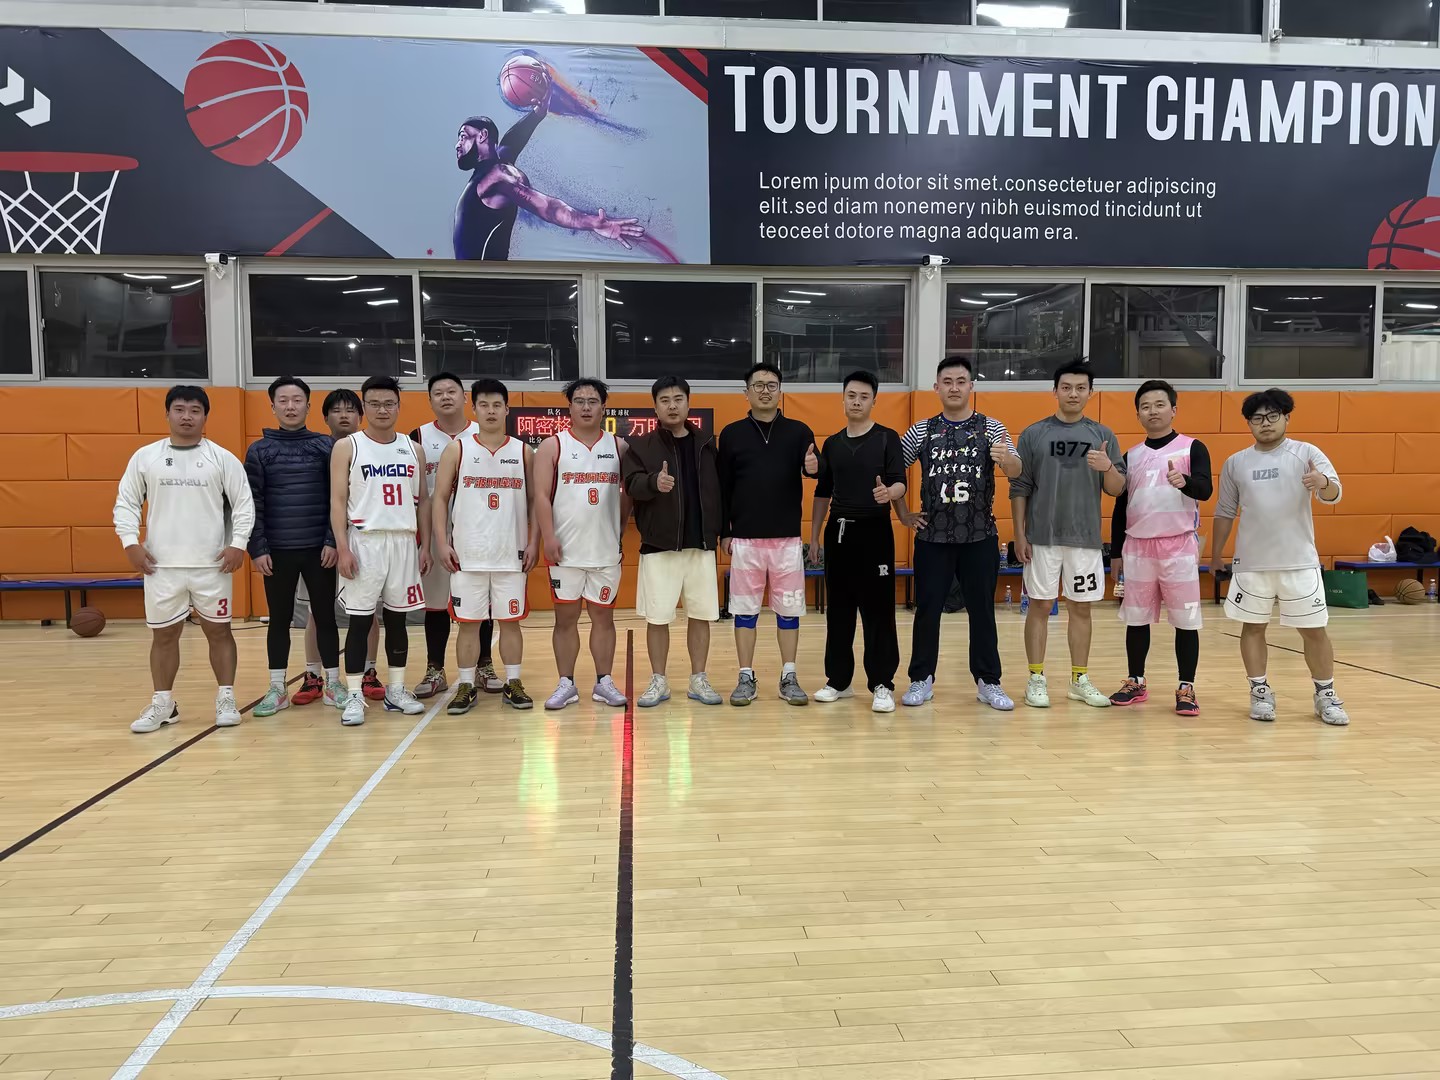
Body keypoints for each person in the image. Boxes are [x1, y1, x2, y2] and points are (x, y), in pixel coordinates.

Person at [114, 386, 255, 733]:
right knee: (163, 636)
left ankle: (226, 698)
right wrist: (130, 543)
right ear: (167, 414)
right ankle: (163, 704)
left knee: (219, 632)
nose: (187, 416)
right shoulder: (145, 457)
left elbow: (243, 504)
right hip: (161, 566)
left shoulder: (222, 458)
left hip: (212, 565)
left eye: (195, 410)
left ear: (205, 416)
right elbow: (126, 502)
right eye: (179, 409)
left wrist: (238, 544)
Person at [1211, 388, 1348, 726]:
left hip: (1299, 561)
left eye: (1273, 416)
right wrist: (1215, 554)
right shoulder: (1236, 462)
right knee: (1253, 628)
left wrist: (1322, 482)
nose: (1266, 423)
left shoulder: (1306, 453)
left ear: (1286, 417)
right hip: (1252, 563)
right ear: (1249, 423)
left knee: (1314, 630)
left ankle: (1325, 695)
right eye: (1257, 418)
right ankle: (1259, 692)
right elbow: (1225, 511)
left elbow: (1334, 494)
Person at [894, 356, 1019, 712]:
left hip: (980, 536)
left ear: (971, 386)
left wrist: (1006, 459)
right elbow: (893, 473)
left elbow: (1017, 470)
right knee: (927, 610)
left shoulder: (992, 428)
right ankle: (922, 678)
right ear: (936, 388)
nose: (954, 387)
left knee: (982, 612)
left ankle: (988, 681)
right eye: (947, 382)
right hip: (933, 538)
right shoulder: (921, 430)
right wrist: (903, 514)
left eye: (961, 381)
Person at [1010, 359, 1126, 709]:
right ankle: (1036, 678)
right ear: (1055, 391)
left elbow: (1117, 489)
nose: (1073, 393)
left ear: (1091, 393)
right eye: (1066, 387)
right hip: (1041, 537)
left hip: (1084, 539)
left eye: (1080, 388)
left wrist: (1108, 467)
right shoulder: (1034, 434)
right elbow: (1020, 486)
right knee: (1040, 606)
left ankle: (1079, 679)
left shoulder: (1103, 435)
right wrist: (1019, 534)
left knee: (1081, 609)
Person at [432, 379, 539, 713]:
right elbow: (439, 499)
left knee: (510, 622)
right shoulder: (458, 449)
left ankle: (514, 682)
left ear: (507, 409)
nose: (490, 411)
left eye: (497, 405)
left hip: (511, 555)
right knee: (468, 624)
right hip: (468, 555)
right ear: (474, 408)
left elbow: (535, 502)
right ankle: (466, 685)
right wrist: (441, 542)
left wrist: (534, 541)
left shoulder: (523, 451)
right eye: (484, 405)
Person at [330, 375, 431, 726]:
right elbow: (337, 501)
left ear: (399, 407)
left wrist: (424, 545)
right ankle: (354, 694)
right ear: (364, 407)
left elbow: (424, 501)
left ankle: (396, 690)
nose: (382, 410)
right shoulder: (348, 446)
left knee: (398, 620)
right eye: (374, 404)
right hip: (365, 540)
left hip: (403, 541)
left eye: (389, 403)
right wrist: (342, 547)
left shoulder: (413, 448)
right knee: (359, 621)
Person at [1109, 380, 1213, 717]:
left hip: (1178, 545)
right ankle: (1136, 680)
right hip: (1137, 547)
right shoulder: (1131, 455)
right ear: (1138, 414)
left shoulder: (1192, 447)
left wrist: (1186, 483)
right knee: (1136, 618)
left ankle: (1186, 687)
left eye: (1159, 404)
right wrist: (1115, 552)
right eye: (1145, 406)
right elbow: (1120, 506)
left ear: (1173, 409)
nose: (1152, 411)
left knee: (1186, 620)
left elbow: (1205, 489)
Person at [804, 371, 906, 713]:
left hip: (875, 532)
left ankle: (882, 683)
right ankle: (838, 680)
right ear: (843, 399)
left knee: (878, 611)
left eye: (864, 396)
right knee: (839, 610)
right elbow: (822, 492)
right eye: (851, 395)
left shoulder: (887, 438)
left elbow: (900, 482)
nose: (857, 401)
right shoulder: (832, 444)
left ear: (874, 400)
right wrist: (814, 536)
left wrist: (889, 492)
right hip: (839, 533)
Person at [621, 375, 724, 708]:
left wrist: (723, 531)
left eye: (678, 399)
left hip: (700, 545)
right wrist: (654, 482)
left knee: (701, 614)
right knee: (657, 617)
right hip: (659, 545)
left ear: (688, 403)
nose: (672, 405)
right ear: (655, 407)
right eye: (664, 400)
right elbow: (631, 485)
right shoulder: (641, 446)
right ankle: (659, 680)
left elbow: (720, 491)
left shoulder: (707, 444)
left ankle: (698, 679)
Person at [718, 362, 815, 707]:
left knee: (789, 611)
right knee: (745, 611)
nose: (764, 390)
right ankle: (746, 676)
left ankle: (789, 676)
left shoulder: (799, 431)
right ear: (746, 392)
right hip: (745, 539)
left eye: (771, 385)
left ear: (780, 391)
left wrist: (813, 467)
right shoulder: (731, 434)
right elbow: (723, 487)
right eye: (757, 385)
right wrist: (724, 532)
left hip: (786, 540)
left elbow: (814, 467)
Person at [244, 376, 341, 718]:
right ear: (273, 407)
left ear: (308, 406)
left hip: (319, 551)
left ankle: (333, 684)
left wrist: (332, 540)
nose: (290, 406)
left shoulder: (326, 446)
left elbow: (337, 498)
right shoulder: (259, 451)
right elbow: (252, 503)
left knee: (326, 617)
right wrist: (258, 548)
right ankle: (277, 688)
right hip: (277, 552)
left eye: (297, 400)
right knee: (279, 620)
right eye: (283, 401)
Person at [533, 378, 631, 710]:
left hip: (605, 551)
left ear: (603, 407)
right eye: (579, 401)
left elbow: (628, 493)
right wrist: (548, 536)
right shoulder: (553, 446)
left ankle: (604, 682)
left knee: (604, 619)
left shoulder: (620, 447)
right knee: (565, 619)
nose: (586, 407)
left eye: (593, 401)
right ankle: (566, 683)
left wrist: (621, 526)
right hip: (566, 551)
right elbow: (540, 497)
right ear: (570, 407)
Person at [453, 103, 644, 260]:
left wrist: (592, 222)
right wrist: (538, 113)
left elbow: (548, 208)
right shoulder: (494, 168)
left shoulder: (497, 174)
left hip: (484, 286)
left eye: (463, 136)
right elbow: (511, 141)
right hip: (471, 284)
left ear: (483, 135)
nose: (457, 145)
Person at [409, 372, 495, 700]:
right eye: (438, 393)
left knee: (482, 603)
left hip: (480, 533)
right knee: (435, 604)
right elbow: (417, 493)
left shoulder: (483, 433)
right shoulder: (418, 437)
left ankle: (484, 664)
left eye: (452, 391)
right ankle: (435, 669)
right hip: (436, 533)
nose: (446, 397)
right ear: (430, 400)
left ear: (464, 398)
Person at [298, 389, 379, 704]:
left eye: (350, 410)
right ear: (325, 417)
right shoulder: (315, 451)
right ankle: (313, 675)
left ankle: (369, 671)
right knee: (316, 612)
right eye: (336, 410)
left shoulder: (373, 450)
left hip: (362, 544)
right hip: (320, 545)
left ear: (360, 416)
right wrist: (328, 539)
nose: (343, 415)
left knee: (367, 611)